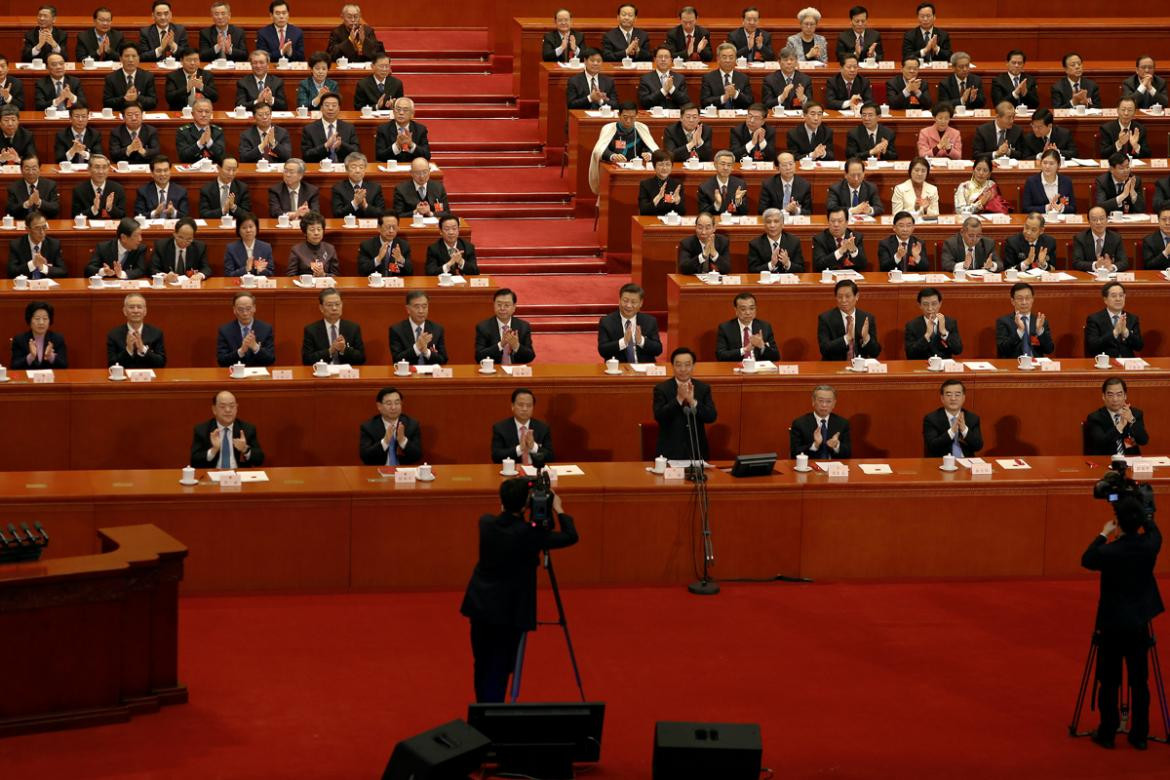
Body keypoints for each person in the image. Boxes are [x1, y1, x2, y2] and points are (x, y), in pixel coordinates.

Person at [460, 478, 578, 703]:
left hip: (481, 607)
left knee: (482, 663)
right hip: (508, 613)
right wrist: (559, 509)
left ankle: (482, 711)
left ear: (500, 500)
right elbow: (570, 536)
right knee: (501, 666)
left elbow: (508, 520)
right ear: (526, 505)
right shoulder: (529, 535)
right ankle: (493, 717)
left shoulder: (485, 523)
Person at [1080, 496, 1163, 750]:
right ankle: (1139, 735)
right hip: (1138, 622)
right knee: (1140, 682)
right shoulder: (1149, 547)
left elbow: (1087, 559)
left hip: (1112, 623)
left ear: (1118, 522)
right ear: (1139, 522)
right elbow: (1155, 532)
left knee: (1109, 680)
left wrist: (1104, 533)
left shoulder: (1110, 551)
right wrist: (1144, 513)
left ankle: (1107, 732)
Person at [653, 347, 716, 459]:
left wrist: (692, 401)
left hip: (697, 451)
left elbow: (711, 416)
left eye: (687, 365)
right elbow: (659, 416)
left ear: (693, 366)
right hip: (670, 451)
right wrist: (678, 399)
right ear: (672, 366)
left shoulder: (703, 388)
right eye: (678, 365)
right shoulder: (662, 389)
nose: (683, 369)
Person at [587, 101, 656, 193]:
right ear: (619, 115)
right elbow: (599, 150)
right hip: (614, 169)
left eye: (632, 117)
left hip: (636, 169)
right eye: (625, 117)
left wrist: (649, 154)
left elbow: (651, 147)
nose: (628, 121)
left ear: (636, 115)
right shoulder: (608, 128)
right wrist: (612, 156)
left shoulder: (642, 128)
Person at [189, 391, 265, 469]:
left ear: (236, 408)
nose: (228, 410)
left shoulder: (247, 429)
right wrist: (213, 450)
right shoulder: (202, 430)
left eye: (232, 406)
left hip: (238, 475)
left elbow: (259, 461)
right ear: (214, 409)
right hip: (213, 476)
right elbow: (194, 462)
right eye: (222, 406)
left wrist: (245, 449)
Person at [597, 282, 663, 363]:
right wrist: (623, 342)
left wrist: (641, 341)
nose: (628, 305)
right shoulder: (606, 322)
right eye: (625, 301)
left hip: (643, 369)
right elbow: (602, 350)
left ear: (641, 303)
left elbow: (658, 350)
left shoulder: (649, 321)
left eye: (633, 302)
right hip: (618, 369)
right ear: (619, 300)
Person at [1084, 378, 1149, 456]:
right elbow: (1100, 444)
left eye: (1119, 394)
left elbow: (1143, 440)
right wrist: (1120, 426)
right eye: (1110, 395)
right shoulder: (1095, 418)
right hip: (1105, 462)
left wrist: (1132, 420)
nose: (1115, 399)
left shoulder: (1135, 414)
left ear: (1125, 396)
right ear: (1103, 396)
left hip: (1130, 461)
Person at [818, 279, 880, 361]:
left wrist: (866, 338)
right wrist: (847, 338)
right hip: (835, 366)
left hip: (859, 367)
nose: (843, 300)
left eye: (847, 296)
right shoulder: (825, 318)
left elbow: (875, 352)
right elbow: (824, 349)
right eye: (840, 297)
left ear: (857, 296)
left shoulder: (867, 318)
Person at [358, 386, 423, 465]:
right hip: (377, 472)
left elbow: (417, 456)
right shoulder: (368, 427)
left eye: (397, 403)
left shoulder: (411, 425)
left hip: (403, 473)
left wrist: (403, 441)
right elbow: (365, 457)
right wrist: (385, 441)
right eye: (389, 403)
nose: (393, 407)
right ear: (379, 406)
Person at [302, 287, 365, 365]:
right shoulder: (311, 330)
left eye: (337, 304)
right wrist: (330, 351)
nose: (334, 308)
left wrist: (344, 349)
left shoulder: (353, 328)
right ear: (321, 308)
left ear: (342, 305)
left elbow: (361, 358)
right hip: (322, 374)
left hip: (345, 374)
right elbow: (307, 360)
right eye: (329, 305)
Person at [491, 388, 554, 465]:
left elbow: (551, 457)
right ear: (512, 406)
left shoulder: (543, 428)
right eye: (521, 405)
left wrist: (533, 446)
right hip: (513, 473)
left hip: (535, 472)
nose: (525, 409)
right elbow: (496, 457)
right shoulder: (500, 428)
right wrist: (520, 449)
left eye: (529, 405)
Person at [923, 380, 982, 458]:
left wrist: (964, 430)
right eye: (948, 394)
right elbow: (932, 446)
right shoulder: (931, 419)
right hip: (942, 462)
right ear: (942, 398)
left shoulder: (972, 418)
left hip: (966, 461)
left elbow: (978, 446)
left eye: (957, 394)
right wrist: (952, 431)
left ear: (963, 397)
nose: (953, 398)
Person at [789, 384, 850, 459]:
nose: (824, 405)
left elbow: (848, 454)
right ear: (813, 401)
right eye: (820, 401)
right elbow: (794, 453)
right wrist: (815, 445)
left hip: (834, 467)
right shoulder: (800, 423)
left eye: (828, 401)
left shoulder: (842, 423)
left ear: (834, 404)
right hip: (810, 467)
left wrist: (836, 445)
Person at [715, 292, 780, 362]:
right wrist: (744, 350)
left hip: (759, 368)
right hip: (736, 367)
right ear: (736, 310)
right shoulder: (726, 328)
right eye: (743, 309)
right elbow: (720, 355)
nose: (748, 312)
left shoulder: (764, 327)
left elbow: (776, 357)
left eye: (752, 308)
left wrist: (762, 346)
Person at [476, 289, 535, 365]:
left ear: (514, 307)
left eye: (507, 305)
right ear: (494, 305)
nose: (502, 308)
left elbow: (530, 356)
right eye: (499, 305)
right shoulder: (483, 327)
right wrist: (501, 345)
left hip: (515, 372)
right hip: (494, 371)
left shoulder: (523, 327)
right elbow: (478, 357)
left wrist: (516, 346)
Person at [995, 282, 1054, 358]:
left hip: (1035, 364)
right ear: (1012, 301)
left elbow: (1049, 350)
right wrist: (1019, 331)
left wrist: (1040, 331)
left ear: (1032, 299)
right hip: (1014, 364)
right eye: (1020, 298)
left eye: (1028, 298)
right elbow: (1002, 350)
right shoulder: (1003, 321)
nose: (1024, 302)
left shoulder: (1040, 321)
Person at [216, 291, 275, 366]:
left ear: (254, 308)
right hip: (235, 375)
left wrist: (256, 347)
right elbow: (221, 361)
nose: (245, 313)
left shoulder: (266, 329)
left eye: (248, 308)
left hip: (258, 376)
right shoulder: (225, 330)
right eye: (240, 309)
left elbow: (270, 360)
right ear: (234, 310)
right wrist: (241, 351)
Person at [106, 292, 165, 368]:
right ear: (124, 311)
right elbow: (111, 365)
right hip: (124, 378)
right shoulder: (113, 335)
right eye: (131, 307)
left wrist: (142, 349)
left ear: (145, 311)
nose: (136, 311)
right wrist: (128, 350)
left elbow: (161, 363)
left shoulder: (156, 333)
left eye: (139, 307)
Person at [1085, 282, 1142, 358]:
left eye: (1121, 295)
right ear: (1105, 299)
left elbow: (1139, 347)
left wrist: (1126, 333)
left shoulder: (1132, 318)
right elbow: (1092, 347)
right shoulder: (1094, 319)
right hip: (1105, 363)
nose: (1118, 299)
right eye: (1114, 296)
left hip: (1127, 363)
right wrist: (1115, 332)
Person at [390, 290, 447, 365]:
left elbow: (443, 360)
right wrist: (416, 348)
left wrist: (426, 352)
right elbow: (397, 360)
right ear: (408, 309)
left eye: (424, 306)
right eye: (417, 307)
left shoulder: (437, 329)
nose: (421, 311)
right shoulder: (397, 330)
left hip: (430, 374)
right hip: (408, 374)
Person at [905, 287, 962, 359]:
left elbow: (958, 350)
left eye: (934, 304)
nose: (930, 308)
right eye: (925, 304)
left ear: (940, 304)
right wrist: (927, 335)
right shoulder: (912, 325)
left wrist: (944, 333)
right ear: (919, 305)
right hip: (921, 366)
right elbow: (910, 354)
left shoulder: (950, 323)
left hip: (943, 366)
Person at [301, 93, 358, 163]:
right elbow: (306, 155)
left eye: (334, 105)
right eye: (327, 105)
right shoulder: (309, 129)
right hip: (319, 169)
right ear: (321, 108)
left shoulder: (349, 128)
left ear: (339, 108)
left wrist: (341, 145)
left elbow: (356, 152)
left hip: (342, 169)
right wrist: (325, 146)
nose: (330, 108)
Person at [7, 212, 64, 279]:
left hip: (46, 286)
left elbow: (63, 271)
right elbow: (11, 272)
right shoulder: (16, 245)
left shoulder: (54, 244)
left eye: (44, 227)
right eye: (37, 228)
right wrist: (32, 264)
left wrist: (43, 268)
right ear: (27, 229)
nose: (42, 232)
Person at [11, 300, 66, 370]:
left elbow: (64, 365)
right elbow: (14, 366)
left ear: (50, 321)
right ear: (29, 320)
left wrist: (51, 356)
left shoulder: (57, 339)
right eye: (37, 319)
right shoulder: (20, 339)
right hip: (27, 380)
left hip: (51, 380)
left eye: (45, 318)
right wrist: (31, 357)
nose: (41, 322)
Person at [103, 42, 157, 111]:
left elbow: (153, 102)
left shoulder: (147, 77)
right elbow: (106, 102)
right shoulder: (111, 78)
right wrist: (124, 98)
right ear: (120, 59)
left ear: (139, 58)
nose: (130, 60)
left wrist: (137, 97)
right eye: (127, 56)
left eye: (134, 56)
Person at [747, 208, 804, 273]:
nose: (772, 225)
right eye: (768, 222)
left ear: (782, 224)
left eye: (776, 221)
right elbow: (752, 271)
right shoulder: (755, 244)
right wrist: (771, 264)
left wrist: (787, 264)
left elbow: (801, 269)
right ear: (764, 225)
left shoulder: (793, 242)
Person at [1073, 207, 1129, 273]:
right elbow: (1077, 263)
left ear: (1107, 219)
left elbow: (1124, 262)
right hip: (1089, 277)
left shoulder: (1116, 237)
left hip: (1110, 277)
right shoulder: (1080, 238)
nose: (1099, 222)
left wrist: (1112, 267)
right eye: (1094, 219)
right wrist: (1095, 265)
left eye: (1102, 219)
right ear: (1089, 222)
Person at [1021, 149, 1076, 216]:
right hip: (1039, 222)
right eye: (1045, 163)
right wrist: (1046, 208)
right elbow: (1025, 209)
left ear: (1058, 165)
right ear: (1040, 163)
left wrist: (1062, 208)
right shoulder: (1031, 182)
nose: (1047, 166)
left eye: (1051, 163)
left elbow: (1073, 208)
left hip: (1060, 222)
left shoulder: (1066, 181)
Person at [376, 97, 431, 164]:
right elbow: (379, 156)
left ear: (412, 114)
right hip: (391, 170)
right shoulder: (383, 129)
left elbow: (427, 156)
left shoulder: (420, 129)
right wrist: (397, 146)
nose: (401, 113)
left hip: (412, 169)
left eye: (405, 110)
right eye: (398, 109)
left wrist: (411, 145)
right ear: (393, 112)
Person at [331, 152, 385, 219]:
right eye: (353, 167)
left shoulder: (375, 187)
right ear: (347, 169)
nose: (357, 170)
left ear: (365, 169)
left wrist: (365, 206)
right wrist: (355, 203)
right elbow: (337, 214)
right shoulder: (338, 188)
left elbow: (381, 213)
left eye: (361, 167)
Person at [813, 207, 868, 271]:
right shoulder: (819, 239)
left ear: (847, 223)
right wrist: (840, 251)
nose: (836, 224)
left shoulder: (856, 237)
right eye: (833, 221)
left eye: (840, 221)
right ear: (828, 222)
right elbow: (819, 266)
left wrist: (854, 251)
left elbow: (863, 266)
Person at [287, 211, 339, 276]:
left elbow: (336, 276)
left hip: (325, 285)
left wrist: (324, 275)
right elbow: (290, 276)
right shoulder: (296, 250)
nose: (316, 233)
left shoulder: (330, 249)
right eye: (312, 230)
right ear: (305, 232)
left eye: (319, 229)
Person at [697, 151, 749, 215]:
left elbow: (745, 212)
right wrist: (716, 205)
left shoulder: (740, 185)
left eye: (729, 165)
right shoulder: (704, 187)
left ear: (732, 167)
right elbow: (703, 214)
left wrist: (738, 202)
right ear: (715, 165)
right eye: (722, 164)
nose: (725, 168)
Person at [762, 47, 813, 112]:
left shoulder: (805, 79)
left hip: (798, 118)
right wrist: (782, 97)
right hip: (778, 118)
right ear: (779, 62)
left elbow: (812, 106)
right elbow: (766, 105)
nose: (789, 62)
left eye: (792, 59)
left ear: (796, 62)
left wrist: (803, 99)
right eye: (785, 60)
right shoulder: (769, 80)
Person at [176, 98, 226, 164]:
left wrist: (210, 143)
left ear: (211, 114)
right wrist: (199, 143)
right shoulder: (183, 132)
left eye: (207, 112)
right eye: (200, 111)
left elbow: (222, 157)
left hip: (212, 170)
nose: (204, 115)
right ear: (192, 114)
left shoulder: (218, 131)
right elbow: (183, 157)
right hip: (191, 170)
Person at [638, 46, 689, 110]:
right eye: (660, 57)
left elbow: (685, 101)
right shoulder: (645, 79)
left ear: (671, 60)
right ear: (655, 60)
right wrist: (663, 91)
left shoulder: (680, 78)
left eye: (666, 57)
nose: (663, 59)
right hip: (654, 116)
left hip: (674, 116)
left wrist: (672, 89)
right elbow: (644, 102)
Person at [223, 212, 274, 276]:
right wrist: (245, 269)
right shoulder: (231, 248)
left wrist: (261, 271)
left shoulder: (266, 247)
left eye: (251, 226)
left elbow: (271, 273)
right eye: (244, 227)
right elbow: (228, 275)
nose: (248, 230)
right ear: (238, 230)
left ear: (256, 228)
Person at [566, 48, 617, 112]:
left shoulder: (608, 81)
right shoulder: (574, 81)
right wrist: (590, 98)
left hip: (602, 117)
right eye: (592, 60)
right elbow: (571, 105)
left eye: (598, 61)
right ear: (585, 61)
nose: (595, 63)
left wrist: (600, 100)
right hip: (582, 117)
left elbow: (615, 105)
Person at [638, 149, 685, 216]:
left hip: (670, 223)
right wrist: (658, 198)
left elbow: (682, 213)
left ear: (672, 167)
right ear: (654, 166)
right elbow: (643, 211)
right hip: (651, 223)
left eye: (668, 164)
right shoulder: (645, 184)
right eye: (660, 164)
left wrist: (677, 202)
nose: (664, 168)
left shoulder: (677, 185)